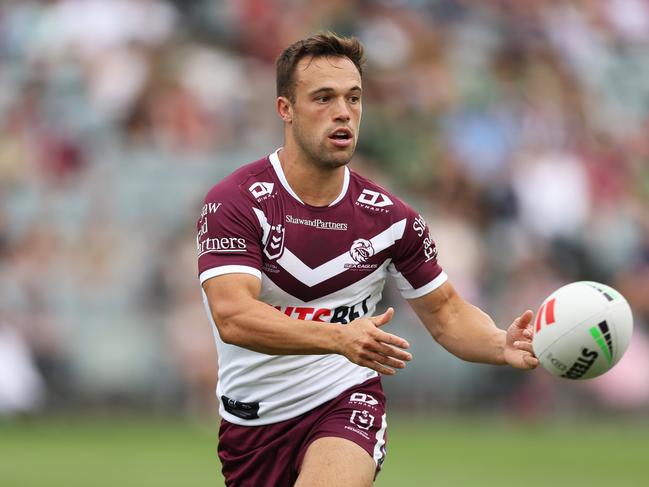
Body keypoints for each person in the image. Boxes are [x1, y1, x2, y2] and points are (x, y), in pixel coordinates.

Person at [197, 32, 539, 487]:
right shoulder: (237, 202)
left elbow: (446, 313)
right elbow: (233, 316)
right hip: (251, 426)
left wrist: (500, 344)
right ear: (286, 109)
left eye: (353, 98)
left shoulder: (392, 219)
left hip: (345, 401)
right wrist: (338, 336)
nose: (343, 112)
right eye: (323, 98)